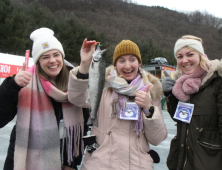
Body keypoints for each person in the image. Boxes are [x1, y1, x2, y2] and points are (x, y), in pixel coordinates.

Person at [0, 27, 91, 170]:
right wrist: (12, 85)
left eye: (56, 54)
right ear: (38, 62)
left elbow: (82, 127)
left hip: (62, 162)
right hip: (25, 163)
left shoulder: (77, 83)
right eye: (45, 57)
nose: (52, 60)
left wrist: (71, 163)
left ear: (62, 56)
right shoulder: (24, 82)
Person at [68, 39, 168, 170]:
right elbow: (76, 98)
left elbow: (157, 139)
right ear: (115, 65)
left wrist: (148, 108)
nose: (127, 66)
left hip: (137, 165)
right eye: (121, 61)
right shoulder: (103, 87)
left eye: (132, 59)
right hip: (100, 164)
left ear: (139, 62)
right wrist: (84, 65)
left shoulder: (150, 92)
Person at [162, 35, 222, 170]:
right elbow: (181, 119)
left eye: (190, 54)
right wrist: (170, 95)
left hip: (209, 162)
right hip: (183, 160)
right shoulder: (181, 84)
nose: (184, 60)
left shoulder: (216, 81)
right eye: (179, 56)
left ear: (201, 55)